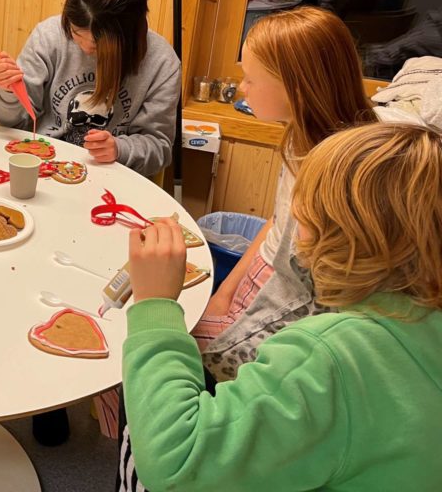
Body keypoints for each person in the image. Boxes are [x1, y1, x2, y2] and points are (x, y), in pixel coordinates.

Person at [123, 122, 442, 490]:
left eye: (304, 205)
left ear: (342, 236)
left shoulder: (331, 357)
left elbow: (175, 461)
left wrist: (155, 303)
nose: (293, 214)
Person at [194, 6, 376, 377]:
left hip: (297, 318)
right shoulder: (297, 134)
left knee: (165, 348)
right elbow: (278, 222)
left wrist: (216, 343)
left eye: (250, 79)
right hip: (266, 277)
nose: (242, 88)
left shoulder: (343, 176)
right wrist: (225, 291)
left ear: (296, 87)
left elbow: (314, 301)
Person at [0, 0, 180, 178]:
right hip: (44, 167)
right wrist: (8, 92)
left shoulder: (162, 62)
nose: (86, 47)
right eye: (77, 34)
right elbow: (15, 123)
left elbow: (159, 147)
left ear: (128, 36)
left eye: (99, 45)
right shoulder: (50, 36)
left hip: (111, 176)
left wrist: (120, 149)